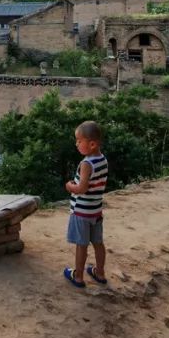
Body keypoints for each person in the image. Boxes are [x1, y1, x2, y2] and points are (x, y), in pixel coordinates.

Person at [63, 121, 109, 288]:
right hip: (96, 211)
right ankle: (100, 273)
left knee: (81, 245)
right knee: (98, 243)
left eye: (79, 141)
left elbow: (81, 189)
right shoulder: (102, 160)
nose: (76, 144)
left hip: (81, 212)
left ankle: (78, 277)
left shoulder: (86, 164)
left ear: (92, 144)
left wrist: (70, 187)